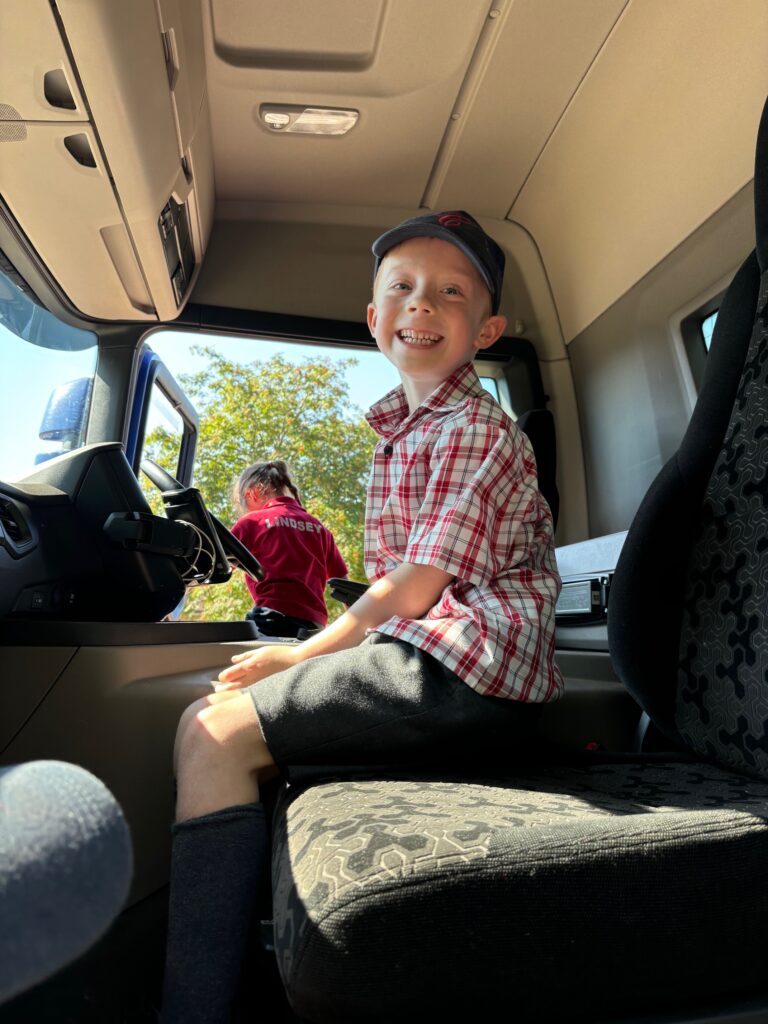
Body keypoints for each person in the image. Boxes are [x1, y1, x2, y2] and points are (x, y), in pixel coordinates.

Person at [162, 210, 563, 1023]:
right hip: (432, 657)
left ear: (485, 328)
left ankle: (193, 1009)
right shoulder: (401, 433)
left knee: (211, 736)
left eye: (451, 293)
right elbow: (387, 587)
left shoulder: (476, 428)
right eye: (402, 290)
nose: (423, 305)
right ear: (375, 320)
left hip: (470, 671)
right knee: (206, 720)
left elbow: (415, 585)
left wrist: (304, 654)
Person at [230, 459, 348, 638]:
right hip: (313, 627)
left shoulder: (252, 522)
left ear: (252, 493)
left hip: (271, 620)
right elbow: (344, 585)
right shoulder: (318, 527)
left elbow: (213, 567)